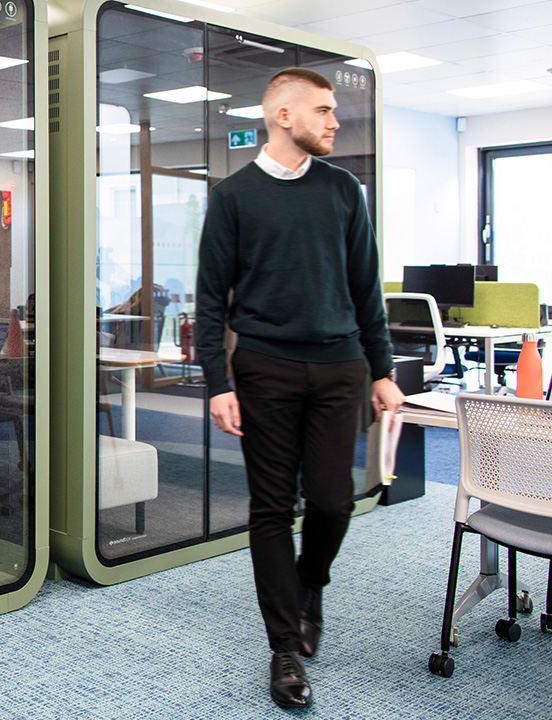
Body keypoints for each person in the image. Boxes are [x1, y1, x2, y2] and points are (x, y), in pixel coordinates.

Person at [194, 67, 404, 709]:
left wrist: (385, 370)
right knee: (271, 508)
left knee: (336, 502)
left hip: (341, 367)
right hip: (265, 368)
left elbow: (367, 287)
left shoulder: (344, 191)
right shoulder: (234, 197)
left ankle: (311, 584)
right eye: (323, 110)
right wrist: (217, 382)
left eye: (333, 110)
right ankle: (284, 647)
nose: (335, 121)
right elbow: (209, 301)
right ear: (283, 115)